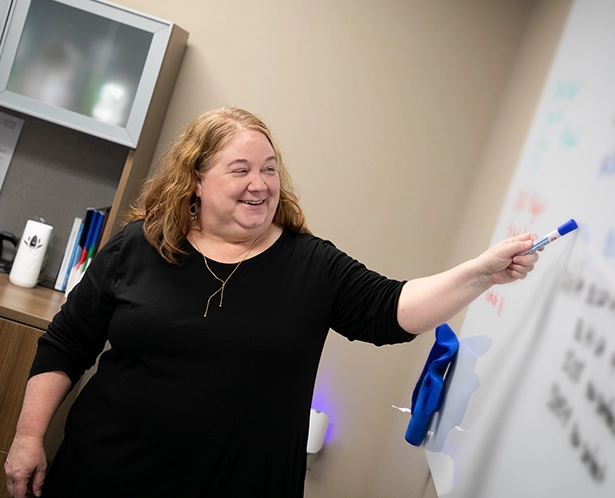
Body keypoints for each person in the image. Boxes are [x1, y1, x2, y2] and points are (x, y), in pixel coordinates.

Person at [4, 106, 539, 498]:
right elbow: (66, 344)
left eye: (269, 167)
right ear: (196, 179)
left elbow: (394, 311)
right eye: (240, 170)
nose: (260, 184)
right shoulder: (139, 246)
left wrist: (480, 273)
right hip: (104, 478)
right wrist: (28, 437)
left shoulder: (311, 264)